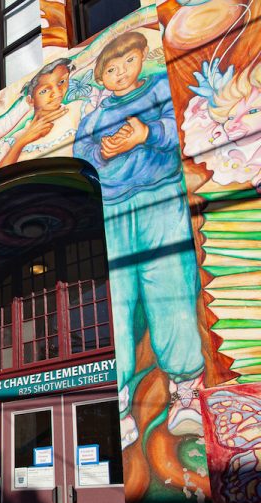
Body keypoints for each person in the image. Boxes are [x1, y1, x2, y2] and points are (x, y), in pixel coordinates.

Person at [73, 31, 205, 448]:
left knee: (169, 284)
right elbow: (81, 154)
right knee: (117, 300)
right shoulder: (94, 117)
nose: (120, 73)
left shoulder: (161, 86)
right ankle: (121, 399)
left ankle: (185, 387)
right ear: (100, 78)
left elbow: (181, 121)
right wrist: (104, 153)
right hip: (113, 208)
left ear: (140, 56)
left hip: (160, 197)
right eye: (109, 70)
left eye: (126, 61)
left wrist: (145, 135)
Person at [0, 58, 83, 167]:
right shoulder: (11, 141)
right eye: (44, 91)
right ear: (30, 100)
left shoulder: (79, 109)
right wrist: (22, 141)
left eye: (62, 82)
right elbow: (0, 178)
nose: (57, 93)